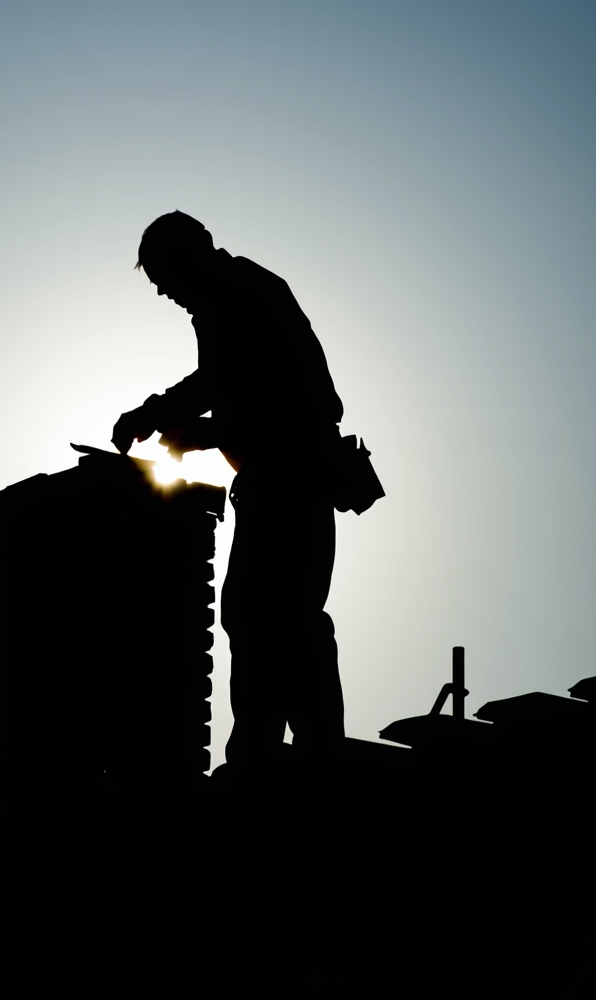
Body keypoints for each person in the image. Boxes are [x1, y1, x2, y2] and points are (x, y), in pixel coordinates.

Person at [112, 211, 345, 774]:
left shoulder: (233, 295)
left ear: (188, 257)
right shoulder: (243, 290)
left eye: (165, 278)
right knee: (272, 612)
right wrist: (193, 427)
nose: (167, 293)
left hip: (290, 477)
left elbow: (271, 400)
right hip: (287, 475)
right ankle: (290, 746)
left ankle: (286, 751)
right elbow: (243, 390)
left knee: (268, 611)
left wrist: (167, 419)